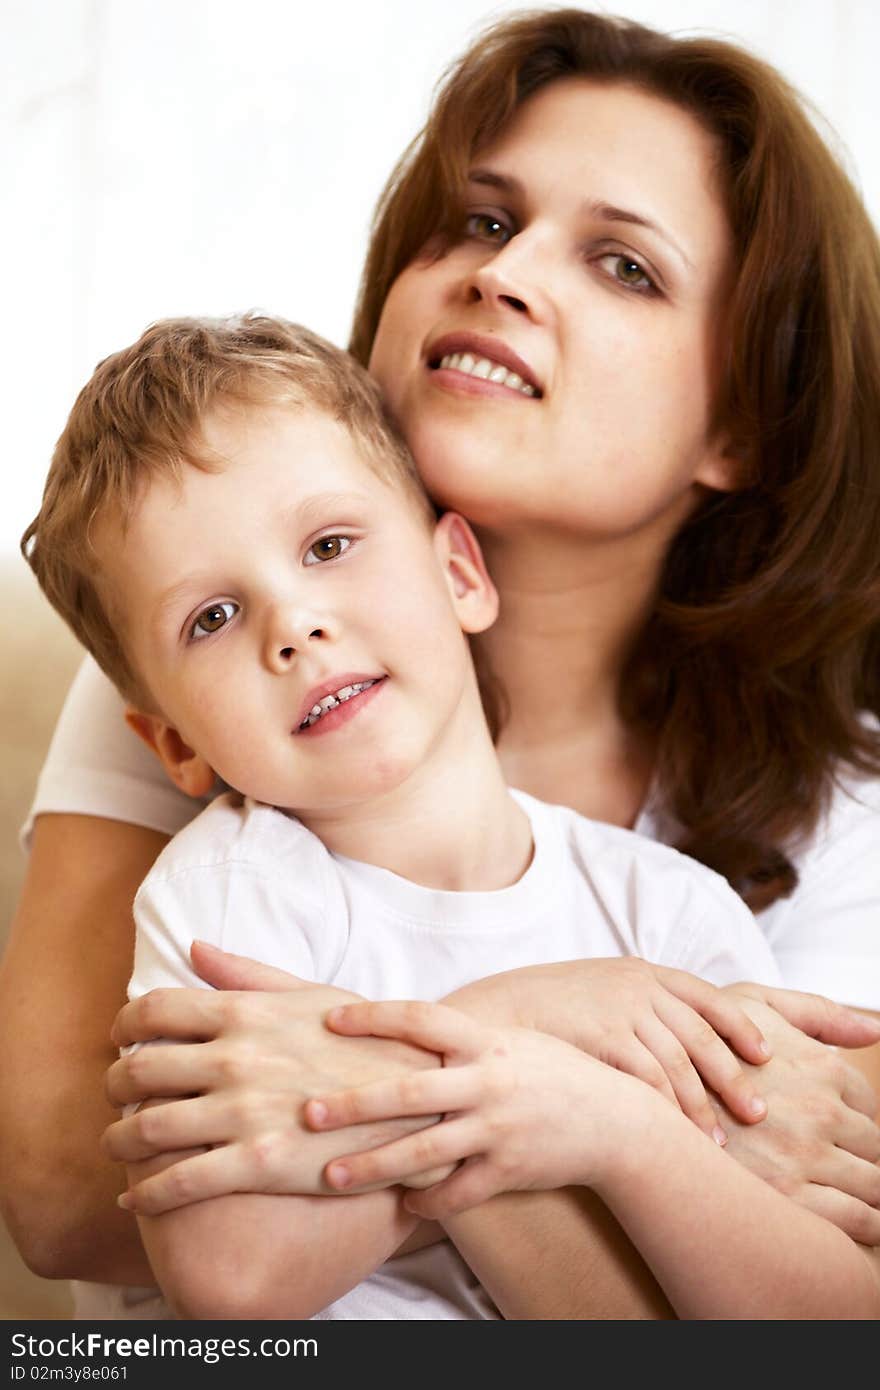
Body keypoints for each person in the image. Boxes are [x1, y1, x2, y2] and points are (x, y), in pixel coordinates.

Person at [2, 7, 879, 1320]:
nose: (507, 270)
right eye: (480, 220)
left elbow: (801, 1293)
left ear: (744, 418)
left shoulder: (802, 822)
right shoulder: (210, 659)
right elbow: (70, 1193)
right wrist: (547, 1037)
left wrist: (412, 1086)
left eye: (625, 266)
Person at [24, 310, 800, 1319]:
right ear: (175, 744)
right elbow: (232, 1276)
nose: (293, 626)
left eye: (330, 544)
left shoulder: (669, 917)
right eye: (211, 617)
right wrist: (509, 1036)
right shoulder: (228, 898)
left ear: (458, 573)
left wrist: (591, 1126)